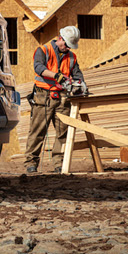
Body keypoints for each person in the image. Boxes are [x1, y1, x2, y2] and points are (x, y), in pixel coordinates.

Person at [24, 25, 86, 173]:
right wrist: (56, 75)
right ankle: (31, 163)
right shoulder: (43, 50)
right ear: (60, 39)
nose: (67, 48)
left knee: (62, 132)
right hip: (42, 96)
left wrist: (80, 85)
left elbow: (77, 75)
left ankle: (59, 164)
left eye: (70, 46)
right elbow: (38, 67)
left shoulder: (71, 56)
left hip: (62, 97)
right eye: (66, 45)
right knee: (37, 131)